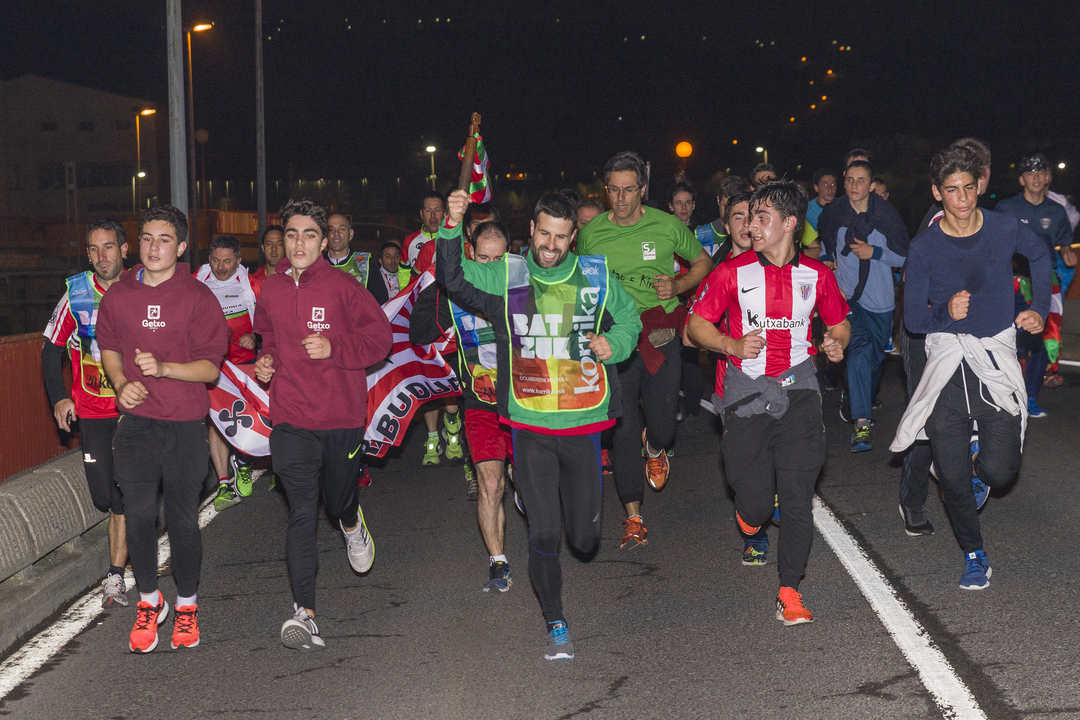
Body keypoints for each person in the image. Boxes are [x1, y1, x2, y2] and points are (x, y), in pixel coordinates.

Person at [437, 188, 642, 660]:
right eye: (544, 234)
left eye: (561, 237)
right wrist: (451, 225)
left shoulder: (595, 276)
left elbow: (629, 320)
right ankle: (556, 623)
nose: (551, 245)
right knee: (545, 533)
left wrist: (615, 343)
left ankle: (571, 520)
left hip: (582, 425)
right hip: (529, 427)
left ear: (573, 238)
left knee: (585, 540)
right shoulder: (507, 274)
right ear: (531, 230)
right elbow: (452, 276)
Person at [686, 180, 850, 624]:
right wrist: (729, 344)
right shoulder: (731, 272)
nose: (751, 227)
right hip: (747, 393)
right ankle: (750, 517)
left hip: (799, 389)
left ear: (790, 223)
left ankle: (789, 591)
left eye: (762, 218)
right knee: (756, 502)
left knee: (797, 495)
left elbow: (839, 323)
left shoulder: (817, 275)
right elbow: (695, 326)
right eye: (749, 218)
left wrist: (836, 342)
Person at [892, 145, 1051, 590]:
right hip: (947, 363)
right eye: (951, 190)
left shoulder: (1003, 227)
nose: (962, 198)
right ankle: (974, 553)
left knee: (1001, 472)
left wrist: (1038, 308)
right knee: (952, 474)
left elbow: (1040, 256)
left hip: (994, 358)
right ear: (937, 193)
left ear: (978, 185)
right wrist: (944, 312)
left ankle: (981, 462)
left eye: (968, 187)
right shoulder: (924, 247)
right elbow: (914, 319)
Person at [253, 199, 393, 651]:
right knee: (300, 511)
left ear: (323, 240)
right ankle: (305, 614)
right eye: (291, 234)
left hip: (340, 416)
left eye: (309, 235)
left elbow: (381, 339)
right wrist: (266, 359)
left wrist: (335, 347)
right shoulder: (271, 289)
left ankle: (351, 522)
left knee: (336, 501)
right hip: (291, 417)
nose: (299, 243)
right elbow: (267, 336)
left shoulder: (343, 286)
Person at [97, 205, 228, 653]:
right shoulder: (119, 295)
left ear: (182, 246)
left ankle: (187, 605)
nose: (154, 247)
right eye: (148, 238)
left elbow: (210, 368)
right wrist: (121, 384)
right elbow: (109, 347)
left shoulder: (198, 297)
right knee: (137, 513)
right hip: (137, 423)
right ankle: (150, 602)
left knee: (181, 517)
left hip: (185, 423)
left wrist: (165, 368)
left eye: (165, 239)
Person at [576, 151, 711, 550]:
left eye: (629, 190)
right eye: (614, 190)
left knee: (663, 425)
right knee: (622, 430)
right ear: (606, 190)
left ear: (643, 190)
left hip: (659, 335)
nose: (621, 198)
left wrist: (679, 285)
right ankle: (634, 516)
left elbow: (703, 262)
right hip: (615, 340)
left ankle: (655, 447)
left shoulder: (667, 226)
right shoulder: (591, 234)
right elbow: (580, 284)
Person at [414, 217, 516, 590]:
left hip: (525, 403)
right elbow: (418, 333)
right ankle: (498, 562)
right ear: (470, 254)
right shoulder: (453, 295)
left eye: (498, 260)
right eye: (483, 259)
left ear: (510, 256)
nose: (490, 267)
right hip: (480, 403)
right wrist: (432, 293)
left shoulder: (525, 288)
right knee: (490, 482)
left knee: (526, 486)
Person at [899, 137, 992, 536]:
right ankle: (912, 500)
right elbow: (915, 282)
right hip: (925, 332)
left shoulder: (988, 222)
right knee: (928, 417)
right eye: (955, 185)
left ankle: (967, 471)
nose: (967, 191)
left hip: (967, 333)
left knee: (981, 405)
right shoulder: (938, 221)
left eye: (975, 179)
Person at [42, 219, 131, 609]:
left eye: (108, 247)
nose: (101, 256)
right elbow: (50, 351)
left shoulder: (143, 287)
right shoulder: (77, 292)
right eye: (93, 249)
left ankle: (116, 575)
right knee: (104, 495)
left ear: (124, 249)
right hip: (93, 410)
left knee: (126, 493)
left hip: (135, 410)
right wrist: (60, 398)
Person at [819, 160, 908, 452]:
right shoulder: (834, 214)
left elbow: (905, 256)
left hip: (881, 302)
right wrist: (827, 262)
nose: (854, 186)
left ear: (871, 186)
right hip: (848, 300)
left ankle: (855, 398)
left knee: (874, 361)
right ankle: (862, 424)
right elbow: (824, 248)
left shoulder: (886, 216)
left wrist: (875, 252)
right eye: (849, 180)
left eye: (861, 181)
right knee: (857, 352)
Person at [995, 154, 1077, 417]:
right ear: (1021, 179)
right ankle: (1005, 393)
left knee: (1042, 338)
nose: (1036, 177)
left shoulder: (1056, 211)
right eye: (1030, 173)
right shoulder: (1006, 208)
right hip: (1011, 279)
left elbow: (1064, 245)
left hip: (1044, 280)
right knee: (1008, 336)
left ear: (1049, 178)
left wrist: (1068, 255)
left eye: (1042, 172)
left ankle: (1030, 396)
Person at [195, 235, 261, 511]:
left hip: (245, 366)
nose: (220, 267)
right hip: (213, 367)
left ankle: (243, 462)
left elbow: (270, 323)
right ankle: (224, 482)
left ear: (239, 260)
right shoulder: (197, 282)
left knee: (249, 418)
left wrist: (256, 336)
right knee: (216, 422)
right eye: (215, 260)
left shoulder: (252, 286)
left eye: (227, 261)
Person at [405, 192, 447, 269]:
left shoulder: (452, 239)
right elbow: (404, 272)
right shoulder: (409, 241)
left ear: (445, 213)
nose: (433, 215)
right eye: (428, 210)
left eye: (437, 210)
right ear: (421, 214)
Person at [250, 224, 285, 293]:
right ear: (263, 248)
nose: (274, 249)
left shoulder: (295, 279)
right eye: (269, 244)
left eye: (279, 244)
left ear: (285, 248)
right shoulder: (252, 281)